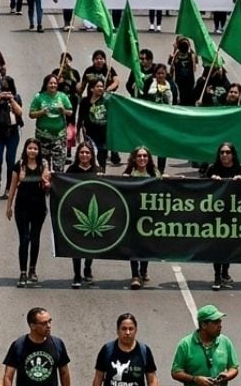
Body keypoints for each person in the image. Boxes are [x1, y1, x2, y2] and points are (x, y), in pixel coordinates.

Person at [5, 137, 50, 288]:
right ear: (25, 149)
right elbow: (12, 188)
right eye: (30, 148)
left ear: (39, 151)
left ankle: (33, 270)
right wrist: (9, 206)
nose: (32, 151)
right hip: (22, 208)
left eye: (35, 149)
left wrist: (47, 183)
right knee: (24, 239)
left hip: (39, 208)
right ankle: (23, 272)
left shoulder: (43, 165)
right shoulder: (19, 166)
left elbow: (47, 188)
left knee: (35, 238)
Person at [205, 142, 241, 291]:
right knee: (217, 245)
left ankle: (225, 272)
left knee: (228, 245)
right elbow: (201, 189)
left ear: (233, 154)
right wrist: (211, 181)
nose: (224, 155)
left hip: (233, 213)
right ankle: (217, 276)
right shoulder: (212, 169)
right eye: (222, 152)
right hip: (215, 213)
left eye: (228, 152)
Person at [172, 305, 240, 386]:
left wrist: (227, 375)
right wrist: (195, 379)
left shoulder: (225, 342)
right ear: (204, 325)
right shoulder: (185, 344)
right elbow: (176, 372)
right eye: (215, 322)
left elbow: (234, 368)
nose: (220, 325)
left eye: (220, 321)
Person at [3, 307, 72, 386]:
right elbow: (8, 376)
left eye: (49, 321)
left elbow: (64, 372)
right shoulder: (19, 345)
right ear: (32, 326)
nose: (48, 326)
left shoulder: (57, 344)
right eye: (43, 323)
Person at [123, 147, 159, 289]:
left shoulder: (154, 173)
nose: (142, 158)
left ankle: (143, 270)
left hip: (149, 216)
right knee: (133, 245)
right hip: (133, 215)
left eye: (145, 156)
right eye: (139, 156)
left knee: (146, 244)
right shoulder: (129, 173)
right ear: (134, 158)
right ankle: (135, 275)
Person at [67, 143, 101, 288]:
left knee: (90, 245)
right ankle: (76, 274)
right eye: (82, 152)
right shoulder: (72, 170)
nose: (84, 155)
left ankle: (87, 269)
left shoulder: (97, 170)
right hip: (76, 213)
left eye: (87, 153)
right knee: (76, 246)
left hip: (92, 213)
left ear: (92, 155)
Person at [92, 313, 159, 386]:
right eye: (124, 329)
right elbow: (98, 377)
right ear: (117, 331)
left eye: (131, 329)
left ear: (136, 330)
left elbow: (152, 380)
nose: (127, 332)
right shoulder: (107, 350)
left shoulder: (144, 351)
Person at [0, 74, 24, 196]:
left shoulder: (16, 97)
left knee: (10, 162)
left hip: (12, 133)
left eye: (7, 90)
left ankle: (9, 188)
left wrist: (11, 100)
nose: (5, 92)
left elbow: (20, 112)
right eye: (3, 90)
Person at [29, 74, 73, 173]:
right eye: (50, 83)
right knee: (44, 168)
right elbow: (31, 114)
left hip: (59, 138)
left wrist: (63, 110)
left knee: (59, 169)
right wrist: (41, 112)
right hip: (43, 138)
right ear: (46, 84)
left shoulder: (63, 96)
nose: (53, 85)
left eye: (55, 83)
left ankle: (57, 187)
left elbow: (70, 112)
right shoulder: (39, 97)